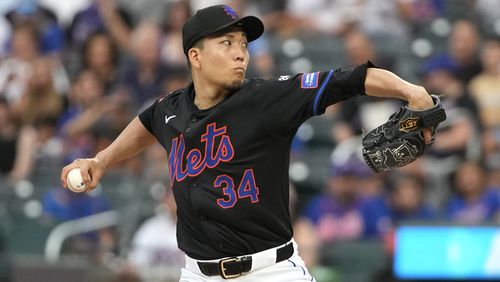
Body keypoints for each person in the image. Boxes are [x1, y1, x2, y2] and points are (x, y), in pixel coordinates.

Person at [61, 5, 436, 281]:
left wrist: (411, 90)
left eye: (243, 43)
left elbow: (351, 79)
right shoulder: (171, 109)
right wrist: (102, 159)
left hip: (270, 271)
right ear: (195, 56)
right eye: (226, 42)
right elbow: (147, 123)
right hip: (197, 275)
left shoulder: (267, 98)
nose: (241, 51)